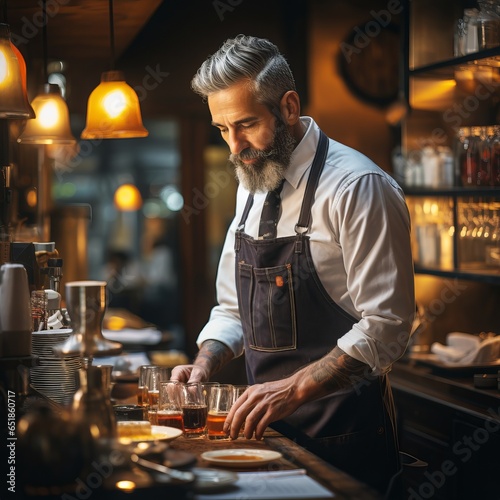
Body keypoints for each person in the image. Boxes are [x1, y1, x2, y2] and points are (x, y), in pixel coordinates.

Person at [171, 35, 415, 495]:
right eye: (222, 129)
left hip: (345, 441)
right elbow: (231, 310)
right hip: (267, 440)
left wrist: (291, 390)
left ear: (288, 106)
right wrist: (205, 362)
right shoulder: (252, 180)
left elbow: (387, 326)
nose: (234, 146)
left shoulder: (358, 187)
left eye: (245, 124)